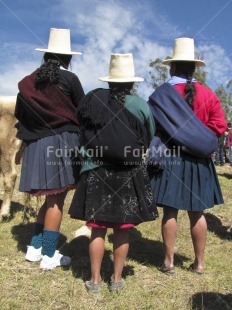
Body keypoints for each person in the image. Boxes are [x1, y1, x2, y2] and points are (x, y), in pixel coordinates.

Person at [69, 53, 158, 293]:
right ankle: (117, 280)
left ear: (109, 80)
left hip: (96, 170)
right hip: (127, 172)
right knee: (122, 229)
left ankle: (95, 281)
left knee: (97, 228)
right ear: (132, 82)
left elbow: (82, 131)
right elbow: (148, 135)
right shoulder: (139, 105)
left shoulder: (92, 100)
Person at [148, 38, 227, 275]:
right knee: (197, 213)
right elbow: (219, 126)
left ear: (172, 67)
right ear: (194, 68)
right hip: (199, 161)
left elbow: (152, 128)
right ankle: (199, 264)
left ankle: (169, 262)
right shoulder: (208, 94)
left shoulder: (161, 94)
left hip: (171, 158)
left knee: (170, 211)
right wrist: (199, 140)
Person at [14, 28, 85, 270]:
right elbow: (83, 113)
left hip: (36, 145)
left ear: (45, 56)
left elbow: (21, 117)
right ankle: (49, 254)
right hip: (61, 143)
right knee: (56, 200)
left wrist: (23, 146)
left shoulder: (27, 83)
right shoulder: (70, 80)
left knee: (48, 198)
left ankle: (34, 248)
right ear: (68, 58)